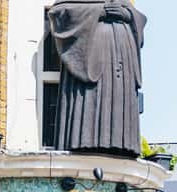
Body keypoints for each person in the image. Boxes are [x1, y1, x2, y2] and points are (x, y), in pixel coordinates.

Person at [47, 0, 147, 157]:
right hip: (91, 57)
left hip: (121, 57)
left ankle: (120, 143)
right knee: (91, 96)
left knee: (117, 96)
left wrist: (127, 15)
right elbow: (60, 12)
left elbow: (140, 18)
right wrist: (100, 11)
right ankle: (86, 141)